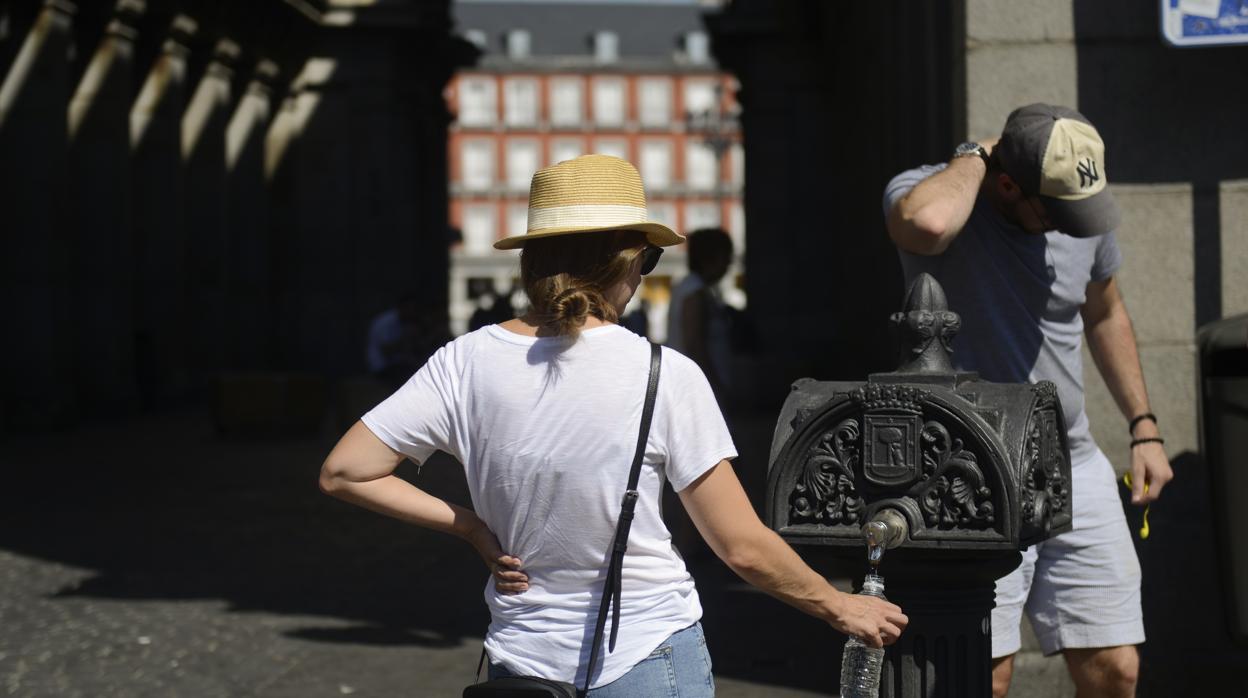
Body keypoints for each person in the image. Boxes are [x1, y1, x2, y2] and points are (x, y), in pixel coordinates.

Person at [321, 154, 906, 694]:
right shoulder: (663, 374)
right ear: (627, 261)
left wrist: (471, 527)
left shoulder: (462, 361)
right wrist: (839, 605)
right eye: (646, 259)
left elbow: (346, 472)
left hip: (521, 663)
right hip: (645, 656)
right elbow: (741, 547)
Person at [882, 104, 1173, 698]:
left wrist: (1144, 426)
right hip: (971, 469)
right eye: (1057, 210)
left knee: (1118, 666)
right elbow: (929, 225)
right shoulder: (926, 190)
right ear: (1007, 184)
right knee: (986, 675)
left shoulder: (1076, 208)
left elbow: (1105, 311)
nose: (1075, 225)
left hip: (1074, 463)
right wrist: (976, 154)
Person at [666, 227, 734, 395]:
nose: (728, 263)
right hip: (700, 390)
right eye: (726, 256)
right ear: (711, 258)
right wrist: (714, 387)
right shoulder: (693, 291)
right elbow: (694, 344)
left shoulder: (693, 288)